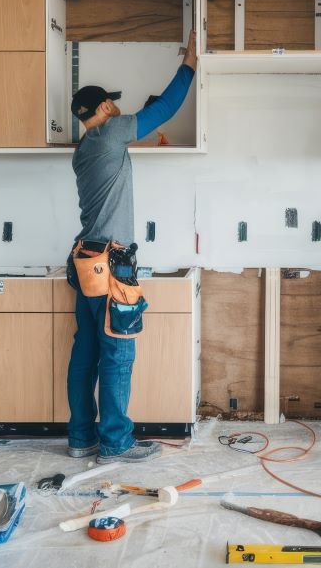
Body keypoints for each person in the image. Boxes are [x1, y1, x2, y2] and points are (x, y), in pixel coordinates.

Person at [64, 32, 197, 464]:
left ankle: (81, 438)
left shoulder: (85, 149)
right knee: (118, 354)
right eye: (113, 104)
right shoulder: (111, 133)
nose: (119, 110)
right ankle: (116, 443)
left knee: (86, 354)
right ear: (104, 108)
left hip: (85, 260)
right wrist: (189, 64)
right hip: (110, 266)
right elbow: (164, 109)